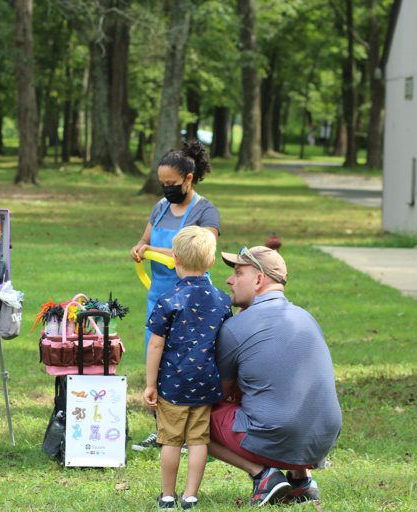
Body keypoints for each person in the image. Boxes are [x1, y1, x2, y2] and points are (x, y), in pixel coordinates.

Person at [209, 246, 342, 506]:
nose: (229, 280)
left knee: (192, 412)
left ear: (259, 280)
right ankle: (301, 480)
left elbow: (219, 394)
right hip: (322, 441)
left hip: (279, 439)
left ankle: (262, 475)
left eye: (238, 273)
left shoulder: (235, 328)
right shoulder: (306, 317)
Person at [130, 140, 221, 452]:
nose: (167, 189)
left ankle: (189, 435)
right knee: (157, 358)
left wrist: (152, 250)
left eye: (172, 183)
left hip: (193, 299)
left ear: (188, 179)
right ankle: (163, 431)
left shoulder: (205, 211)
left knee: (187, 363)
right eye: (162, 183)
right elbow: (145, 239)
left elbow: (201, 250)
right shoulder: (160, 207)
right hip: (159, 295)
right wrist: (140, 249)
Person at [143, 226, 233, 509]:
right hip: (206, 382)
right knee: (198, 440)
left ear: (175, 261)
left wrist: (150, 384)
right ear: (211, 262)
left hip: (172, 384)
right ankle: (191, 495)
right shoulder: (222, 300)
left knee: (170, 440)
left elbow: (155, 345)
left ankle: (168, 495)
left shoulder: (168, 300)